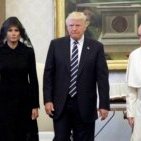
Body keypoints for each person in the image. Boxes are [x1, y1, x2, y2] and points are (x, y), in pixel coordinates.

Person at [43, 11, 110, 141]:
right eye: (71, 25)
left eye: (78, 25)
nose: (74, 28)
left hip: (86, 105)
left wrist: (104, 104)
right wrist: (48, 100)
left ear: (85, 26)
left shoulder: (96, 47)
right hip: (61, 104)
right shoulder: (56, 45)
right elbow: (48, 75)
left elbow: (102, 78)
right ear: (67, 27)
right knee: (61, 138)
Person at [0, 16, 39, 141]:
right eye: (10, 30)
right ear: (5, 33)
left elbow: (33, 79)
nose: (13, 33)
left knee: (25, 135)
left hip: (25, 101)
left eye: (16, 30)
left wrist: (35, 105)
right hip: (3, 103)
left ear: (20, 33)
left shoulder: (28, 52)